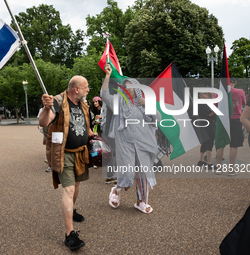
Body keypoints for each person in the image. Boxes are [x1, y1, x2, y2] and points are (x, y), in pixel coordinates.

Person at [39, 75, 96, 251]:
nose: (88, 90)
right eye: (86, 87)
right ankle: (69, 234)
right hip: (64, 154)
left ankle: (73, 209)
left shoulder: (83, 105)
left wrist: (95, 136)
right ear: (76, 89)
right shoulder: (57, 101)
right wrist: (47, 108)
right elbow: (43, 121)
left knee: (76, 185)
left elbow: (86, 127)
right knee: (69, 189)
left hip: (81, 153)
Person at [101, 63, 160, 213]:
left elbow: (157, 119)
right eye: (124, 87)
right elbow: (105, 95)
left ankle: (141, 201)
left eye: (130, 87)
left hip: (143, 143)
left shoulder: (144, 103)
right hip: (125, 143)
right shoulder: (119, 104)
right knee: (127, 172)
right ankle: (117, 189)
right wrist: (107, 76)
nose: (127, 89)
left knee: (143, 174)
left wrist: (149, 104)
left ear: (136, 89)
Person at [216, 77, 246, 175]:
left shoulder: (219, 93)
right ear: (234, 83)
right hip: (236, 120)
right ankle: (231, 169)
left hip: (222, 121)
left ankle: (219, 168)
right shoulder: (240, 91)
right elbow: (245, 103)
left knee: (220, 145)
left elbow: (213, 105)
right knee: (234, 145)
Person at [197, 92, 216, 169]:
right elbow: (209, 113)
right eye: (205, 93)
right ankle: (209, 163)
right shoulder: (202, 103)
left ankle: (201, 160)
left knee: (204, 142)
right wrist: (216, 110)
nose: (207, 94)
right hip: (208, 125)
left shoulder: (201, 102)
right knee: (210, 143)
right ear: (200, 95)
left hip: (203, 124)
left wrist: (211, 97)